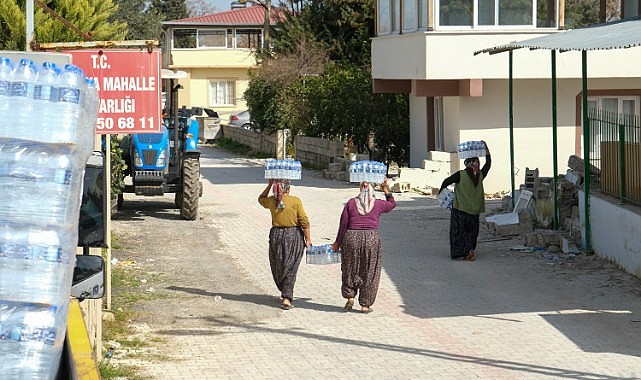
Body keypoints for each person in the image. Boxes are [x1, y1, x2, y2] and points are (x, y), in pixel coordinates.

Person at [331, 178, 396, 314]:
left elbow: (343, 224)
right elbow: (392, 204)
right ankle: (365, 305)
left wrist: (337, 242)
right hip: (371, 239)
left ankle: (349, 296)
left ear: (360, 189)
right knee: (370, 271)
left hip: (351, 238)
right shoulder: (377, 204)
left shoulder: (351, 203)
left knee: (350, 267)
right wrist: (385, 189)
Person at [259, 179, 312, 310]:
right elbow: (304, 221)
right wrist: (308, 239)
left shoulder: (272, 200)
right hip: (294, 236)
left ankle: (284, 291)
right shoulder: (295, 201)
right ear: (288, 189)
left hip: (276, 236)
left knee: (279, 264)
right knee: (291, 267)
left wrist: (269, 184)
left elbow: (261, 198)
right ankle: (287, 297)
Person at [439, 141, 491, 261]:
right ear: (477, 163)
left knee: (459, 233)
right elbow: (489, 163)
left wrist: (444, 195)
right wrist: (486, 149)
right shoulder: (481, 175)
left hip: (460, 209)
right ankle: (470, 251)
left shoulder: (460, 174)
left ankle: (461, 252)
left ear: (466, 163)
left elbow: (446, 182)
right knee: (472, 233)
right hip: (475, 210)